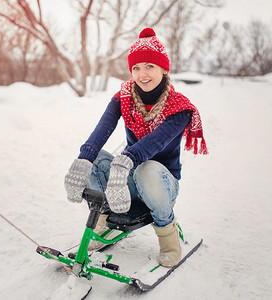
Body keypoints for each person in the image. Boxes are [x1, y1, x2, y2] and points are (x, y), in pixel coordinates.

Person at [64, 27, 208, 268]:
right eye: (136, 68)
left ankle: (168, 235)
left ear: (163, 68)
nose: (142, 74)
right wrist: (83, 159)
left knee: (147, 169)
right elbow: (103, 129)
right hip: (126, 179)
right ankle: (103, 222)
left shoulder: (179, 107)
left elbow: (156, 142)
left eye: (150, 66)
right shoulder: (123, 97)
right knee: (95, 158)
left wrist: (127, 159)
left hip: (160, 184)